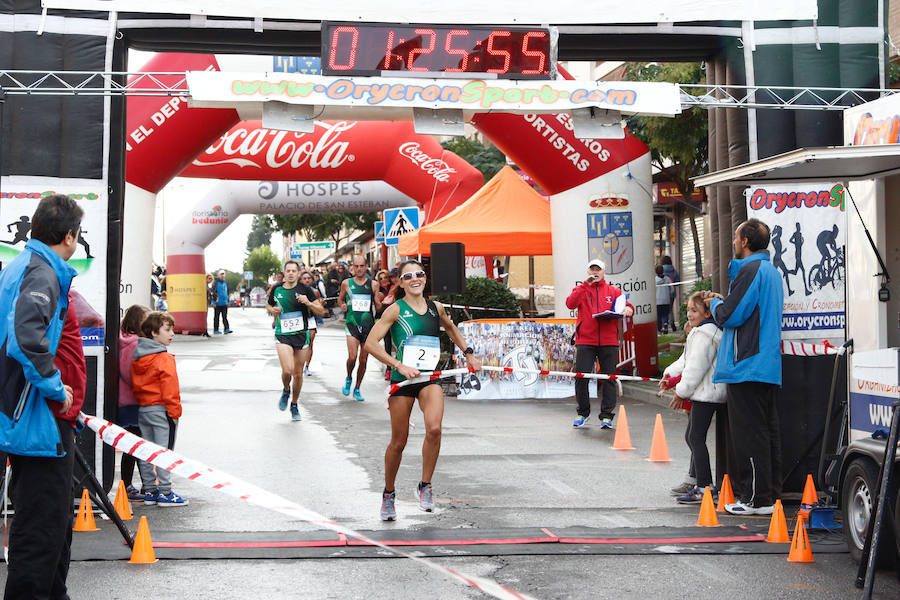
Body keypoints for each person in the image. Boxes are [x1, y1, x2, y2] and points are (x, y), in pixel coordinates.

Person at [0, 194, 83, 599]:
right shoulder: (41, 272)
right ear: (70, 236)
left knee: (52, 523)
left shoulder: (26, 266)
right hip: (33, 416)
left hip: (27, 414)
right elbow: (25, 339)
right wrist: (55, 386)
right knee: (42, 526)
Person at [364, 260, 482, 520]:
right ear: (401, 282)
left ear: (425, 278)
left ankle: (425, 485)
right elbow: (371, 344)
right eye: (408, 276)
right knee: (399, 442)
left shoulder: (435, 308)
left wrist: (469, 354)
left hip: (429, 378)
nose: (415, 279)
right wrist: (398, 365)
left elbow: (451, 328)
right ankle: (389, 494)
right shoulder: (394, 311)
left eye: (419, 274)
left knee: (435, 428)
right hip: (403, 381)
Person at [703, 218, 783, 516]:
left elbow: (730, 316)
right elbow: (748, 311)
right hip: (765, 364)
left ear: (745, 242)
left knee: (750, 434)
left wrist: (714, 305)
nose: (734, 242)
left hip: (747, 363)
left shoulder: (751, 269)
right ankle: (767, 496)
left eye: (736, 238)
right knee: (766, 433)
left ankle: (753, 498)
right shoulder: (771, 272)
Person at [660, 292, 726, 504]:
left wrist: (681, 391)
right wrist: (669, 374)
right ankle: (700, 482)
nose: (689, 314)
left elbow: (696, 367)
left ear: (707, 313)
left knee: (695, 438)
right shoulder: (701, 333)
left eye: (694, 310)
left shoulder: (704, 335)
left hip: (707, 394)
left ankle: (704, 486)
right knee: (693, 437)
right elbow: (685, 360)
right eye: (688, 309)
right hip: (708, 392)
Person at [565, 258, 634, 429]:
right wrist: (584, 285)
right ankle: (582, 413)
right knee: (581, 377)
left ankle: (607, 416)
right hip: (585, 340)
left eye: (598, 269)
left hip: (609, 341)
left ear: (604, 272)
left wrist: (627, 310)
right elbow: (570, 303)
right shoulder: (580, 289)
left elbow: (628, 306)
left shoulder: (614, 291)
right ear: (588, 272)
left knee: (609, 378)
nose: (595, 272)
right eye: (592, 269)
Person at [131, 311, 189, 506]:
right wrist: (175, 413)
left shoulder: (138, 356)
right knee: (165, 451)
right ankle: (165, 492)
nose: (172, 333)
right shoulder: (163, 358)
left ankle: (150, 490)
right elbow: (170, 388)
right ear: (154, 332)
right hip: (162, 409)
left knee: (146, 450)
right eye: (167, 329)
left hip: (144, 408)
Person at [267, 261, 325, 421]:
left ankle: (294, 403)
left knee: (298, 374)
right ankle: (286, 389)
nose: (291, 273)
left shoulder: (306, 290)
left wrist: (308, 302)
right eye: (288, 271)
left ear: (298, 273)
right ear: (284, 273)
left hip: (301, 334)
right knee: (287, 370)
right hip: (283, 334)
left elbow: (321, 310)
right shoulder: (276, 289)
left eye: (294, 271)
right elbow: (269, 305)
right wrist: (273, 310)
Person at [118, 304, 151, 500]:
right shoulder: (134, 344)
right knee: (136, 445)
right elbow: (130, 372)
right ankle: (128, 485)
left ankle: (140, 484)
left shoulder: (126, 341)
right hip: (134, 400)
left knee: (137, 444)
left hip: (128, 400)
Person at [338, 255, 380, 402]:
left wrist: (378, 300)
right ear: (352, 268)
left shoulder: (373, 284)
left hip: (368, 325)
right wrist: (342, 305)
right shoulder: (346, 283)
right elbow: (340, 299)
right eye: (356, 266)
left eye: (362, 266)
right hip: (352, 323)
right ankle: (349, 377)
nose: (359, 269)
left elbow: (378, 306)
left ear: (366, 266)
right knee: (353, 357)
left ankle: (357, 387)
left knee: (363, 360)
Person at [300, 270, 323, 377]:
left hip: (310, 319)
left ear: (312, 280)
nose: (307, 280)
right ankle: (298, 365)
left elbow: (319, 307)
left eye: (308, 278)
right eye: (304, 278)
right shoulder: (296, 290)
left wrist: (319, 304)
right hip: (299, 320)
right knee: (299, 344)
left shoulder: (315, 292)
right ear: (300, 280)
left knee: (310, 343)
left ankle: (307, 366)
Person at [374, 269, 396, 381]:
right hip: (385, 319)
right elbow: (377, 307)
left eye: (385, 277)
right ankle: (389, 370)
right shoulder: (379, 290)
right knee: (387, 345)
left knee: (399, 343)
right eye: (381, 278)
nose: (383, 280)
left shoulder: (394, 288)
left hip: (397, 318)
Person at [661, 255, 679, 330]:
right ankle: (672, 324)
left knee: (662, 309)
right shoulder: (673, 271)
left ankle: (664, 325)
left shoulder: (661, 270)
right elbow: (677, 282)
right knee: (670, 309)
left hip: (661, 293)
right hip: (671, 293)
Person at [213, 269, 232, 334]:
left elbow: (227, 293)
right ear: (218, 275)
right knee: (216, 317)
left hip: (224, 303)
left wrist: (228, 301)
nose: (222, 275)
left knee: (225, 317)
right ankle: (216, 330)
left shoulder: (225, 283)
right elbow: (214, 293)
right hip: (218, 303)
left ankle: (226, 328)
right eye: (221, 274)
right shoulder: (215, 283)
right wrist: (214, 302)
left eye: (223, 274)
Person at [654, 265, 672, 334]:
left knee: (658, 316)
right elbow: (672, 288)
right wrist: (669, 294)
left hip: (657, 301)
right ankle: (665, 324)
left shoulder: (654, 280)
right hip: (666, 300)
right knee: (665, 314)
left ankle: (659, 330)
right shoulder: (667, 279)